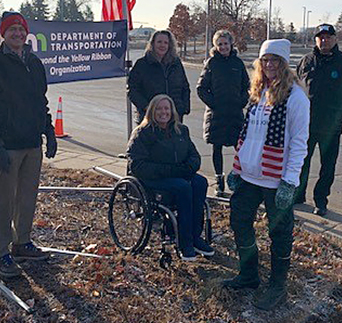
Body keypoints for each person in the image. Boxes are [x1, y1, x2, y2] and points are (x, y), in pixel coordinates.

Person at [223, 39, 310, 311]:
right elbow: (247, 135)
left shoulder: (295, 97)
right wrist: (237, 168)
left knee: (280, 233)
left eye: (275, 60)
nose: (269, 65)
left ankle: (278, 286)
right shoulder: (258, 92)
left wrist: (289, 182)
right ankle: (249, 275)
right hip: (249, 176)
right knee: (239, 222)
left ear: (284, 64)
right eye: (265, 60)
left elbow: (299, 143)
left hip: (276, 179)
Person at [0, 12, 58, 278]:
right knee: (4, 200)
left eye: (21, 30)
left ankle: (22, 242)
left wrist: (49, 131)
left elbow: (39, 101)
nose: (18, 34)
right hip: (7, 144)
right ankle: (0, 252)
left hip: (32, 143)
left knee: (27, 197)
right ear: (4, 34)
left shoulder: (33, 62)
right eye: (12, 30)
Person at [126, 94, 213, 261]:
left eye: (166, 108)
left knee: (200, 182)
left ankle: (195, 236)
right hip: (153, 179)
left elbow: (194, 156)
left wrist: (188, 168)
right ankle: (184, 241)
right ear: (152, 111)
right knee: (183, 187)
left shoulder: (181, 130)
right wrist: (171, 171)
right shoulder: (142, 134)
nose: (163, 112)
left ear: (172, 111)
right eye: (159, 108)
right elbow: (137, 166)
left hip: (177, 174)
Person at [295, 23, 342, 216]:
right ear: (316, 39)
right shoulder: (306, 61)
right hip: (306, 124)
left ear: (335, 39)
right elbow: (298, 86)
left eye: (328, 37)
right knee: (301, 162)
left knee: (327, 166)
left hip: (332, 126)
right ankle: (299, 195)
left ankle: (321, 200)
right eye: (320, 37)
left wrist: (336, 105)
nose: (324, 40)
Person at [197, 30, 250, 197]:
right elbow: (201, 88)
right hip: (217, 114)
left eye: (225, 43)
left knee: (240, 148)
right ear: (215, 46)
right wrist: (214, 104)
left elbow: (247, 86)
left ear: (231, 44)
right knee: (217, 147)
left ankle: (240, 179)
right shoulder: (211, 63)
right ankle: (219, 180)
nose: (223, 47)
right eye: (219, 44)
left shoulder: (238, 63)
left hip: (234, 113)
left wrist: (241, 102)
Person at [128, 30, 191, 123]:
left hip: (174, 117)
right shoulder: (142, 64)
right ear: (152, 43)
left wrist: (184, 107)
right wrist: (147, 107)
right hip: (150, 118)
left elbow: (185, 87)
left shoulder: (176, 64)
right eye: (159, 42)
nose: (162, 45)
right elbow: (132, 90)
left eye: (166, 42)